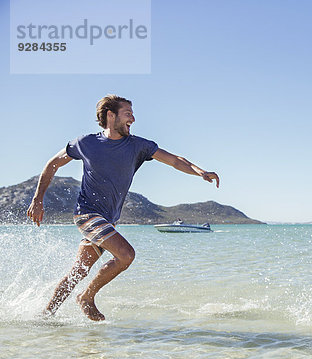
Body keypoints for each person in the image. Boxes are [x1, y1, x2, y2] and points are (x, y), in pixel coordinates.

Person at [27, 94, 220, 321]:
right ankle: (87, 297)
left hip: (108, 220)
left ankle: (45, 316)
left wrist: (200, 172)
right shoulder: (86, 143)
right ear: (111, 115)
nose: (133, 119)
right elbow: (53, 163)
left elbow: (175, 159)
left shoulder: (138, 145)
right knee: (126, 255)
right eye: (128, 113)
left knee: (78, 271)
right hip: (87, 214)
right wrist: (38, 198)